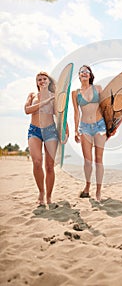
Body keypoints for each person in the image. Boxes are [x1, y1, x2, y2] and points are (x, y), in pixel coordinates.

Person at [24, 71, 68, 206]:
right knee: (37, 162)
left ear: (49, 82)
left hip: (50, 132)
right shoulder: (32, 95)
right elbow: (27, 110)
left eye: (44, 79)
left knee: (49, 166)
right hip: (35, 131)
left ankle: (48, 196)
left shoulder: (54, 97)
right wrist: (44, 102)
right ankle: (41, 192)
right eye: (39, 80)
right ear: (37, 83)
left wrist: (66, 132)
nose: (42, 81)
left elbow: (61, 115)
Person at [72, 65, 107, 202]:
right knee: (88, 161)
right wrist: (76, 130)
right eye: (82, 72)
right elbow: (76, 113)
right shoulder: (75, 93)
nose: (84, 73)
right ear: (79, 76)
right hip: (84, 127)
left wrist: (110, 128)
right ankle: (87, 187)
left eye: (87, 71)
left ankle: (98, 191)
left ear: (90, 75)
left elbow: (106, 108)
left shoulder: (98, 88)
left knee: (99, 160)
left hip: (100, 126)